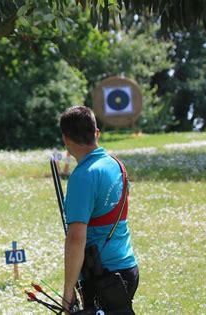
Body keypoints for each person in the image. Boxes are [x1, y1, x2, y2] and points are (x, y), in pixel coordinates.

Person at [59, 106, 138, 313]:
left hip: (104, 276)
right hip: (127, 268)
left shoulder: (83, 176)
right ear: (96, 133)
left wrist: (68, 292)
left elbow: (76, 238)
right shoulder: (116, 164)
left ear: (66, 140)